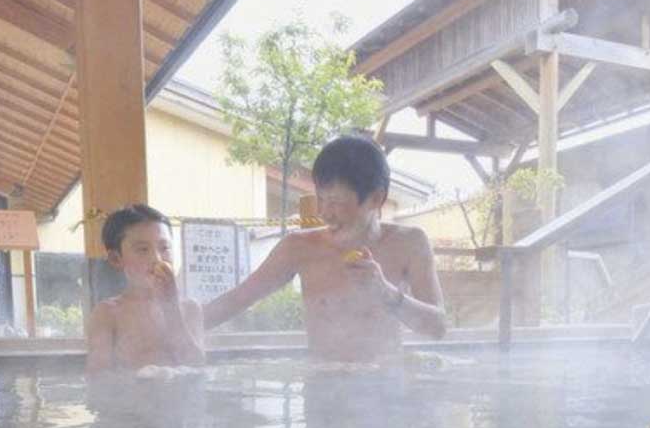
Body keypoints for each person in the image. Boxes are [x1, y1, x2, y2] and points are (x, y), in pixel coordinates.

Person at [203, 134, 447, 361]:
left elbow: (437, 328)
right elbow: (238, 299)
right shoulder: (299, 247)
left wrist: (384, 292)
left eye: (335, 202)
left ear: (376, 198)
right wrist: (184, 323)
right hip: (323, 383)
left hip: (385, 384)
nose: (324, 213)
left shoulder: (409, 243)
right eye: (320, 199)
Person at [86, 204, 205, 372]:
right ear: (116, 259)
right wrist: (142, 380)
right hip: (132, 389)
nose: (157, 258)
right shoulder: (108, 314)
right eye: (142, 250)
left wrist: (170, 308)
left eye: (164, 248)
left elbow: (197, 368)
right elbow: (98, 377)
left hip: (180, 389)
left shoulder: (189, 309)